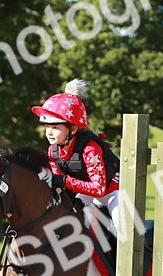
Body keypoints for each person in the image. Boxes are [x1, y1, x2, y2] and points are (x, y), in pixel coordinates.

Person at [31, 79, 120, 219]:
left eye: (55, 127)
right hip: (88, 193)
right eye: (47, 127)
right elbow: (58, 181)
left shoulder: (90, 149)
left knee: (122, 225)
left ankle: (138, 241)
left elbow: (99, 188)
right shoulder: (53, 151)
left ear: (73, 128)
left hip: (114, 191)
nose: (49, 132)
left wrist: (65, 181)